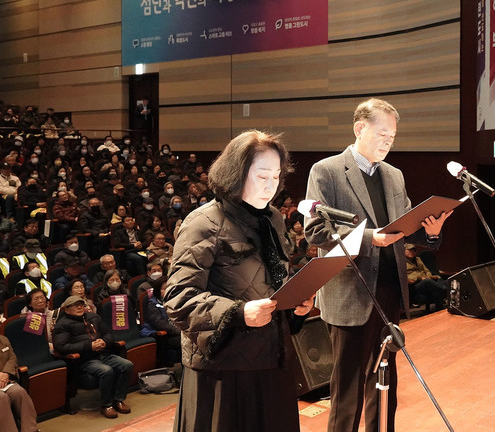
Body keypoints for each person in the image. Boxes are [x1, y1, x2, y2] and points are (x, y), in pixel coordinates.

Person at [304, 98, 451, 432]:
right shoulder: (326, 171)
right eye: (383, 133)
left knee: (385, 386)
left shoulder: (394, 175)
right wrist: (371, 238)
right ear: (359, 128)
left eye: (393, 136)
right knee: (348, 393)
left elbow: (405, 226)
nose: (388, 141)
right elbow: (316, 231)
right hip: (350, 292)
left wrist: (431, 233)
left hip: (389, 291)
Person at [164, 130, 314, 432]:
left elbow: (274, 278)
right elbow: (178, 299)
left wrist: (295, 306)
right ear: (235, 174)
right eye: (262, 176)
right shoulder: (203, 221)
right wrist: (238, 312)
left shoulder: (273, 218)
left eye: (276, 177)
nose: (271, 186)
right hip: (224, 368)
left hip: (272, 358)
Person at [53, 295, 133, 419]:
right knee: (106, 371)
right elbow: (61, 347)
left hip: (104, 354)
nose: (79, 307)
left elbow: (109, 334)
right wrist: (89, 346)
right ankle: (107, 405)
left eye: (81, 304)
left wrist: (104, 342)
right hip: (85, 359)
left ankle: (118, 399)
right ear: (67, 310)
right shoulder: (62, 325)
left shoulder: (93, 317)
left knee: (127, 365)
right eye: (75, 305)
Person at [0, 334, 39, 432]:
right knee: (2, 398)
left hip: (5, 380)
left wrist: (6, 373)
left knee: (19, 392)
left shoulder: (3, 339)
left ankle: (30, 429)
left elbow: (12, 358)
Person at [141, 276, 181, 366]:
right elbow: (159, 324)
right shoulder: (152, 303)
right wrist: (178, 331)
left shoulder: (174, 302)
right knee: (182, 341)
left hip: (174, 332)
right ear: (158, 290)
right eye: (164, 288)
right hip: (159, 335)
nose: (168, 291)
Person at [405, 244, 447, 311]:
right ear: (404, 250)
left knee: (442, 283)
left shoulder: (417, 259)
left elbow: (426, 270)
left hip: (426, 281)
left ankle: (439, 310)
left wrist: (429, 277)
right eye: (410, 250)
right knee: (427, 282)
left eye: (413, 250)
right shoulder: (402, 262)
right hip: (414, 285)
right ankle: (446, 289)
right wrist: (420, 278)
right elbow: (406, 276)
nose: (412, 252)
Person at [20, 288, 56, 352]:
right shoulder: (29, 318)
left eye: (42, 297)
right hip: (39, 350)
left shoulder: (53, 314)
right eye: (36, 299)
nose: (40, 301)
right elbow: (36, 341)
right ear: (30, 304)